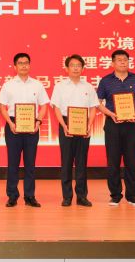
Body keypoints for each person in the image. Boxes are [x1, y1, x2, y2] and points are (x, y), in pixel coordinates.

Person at [0, 53, 49, 207]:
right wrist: (10, 123)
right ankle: (12, 196)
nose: (23, 66)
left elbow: (44, 105)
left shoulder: (37, 85)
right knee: (13, 163)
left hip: (32, 125)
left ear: (30, 65)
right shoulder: (8, 85)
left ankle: (30, 196)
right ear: (15, 67)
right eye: (20, 63)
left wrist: (38, 122)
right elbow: (2, 107)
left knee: (30, 164)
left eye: (26, 63)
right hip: (13, 125)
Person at [96, 49, 135, 206]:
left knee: (131, 161)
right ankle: (115, 195)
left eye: (125, 59)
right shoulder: (105, 81)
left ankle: (132, 196)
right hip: (113, 124)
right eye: (119, 60)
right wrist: (110, 114)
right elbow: (98, 102)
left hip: (132, 125)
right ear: (113, 63)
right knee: (113, 161)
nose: (123, 62)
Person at [51, 54, 99, 207]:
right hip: (66, 124)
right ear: (67, 68)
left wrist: (89, 125)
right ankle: (67, 197)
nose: (76, 68)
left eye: (79, 65)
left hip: (83, 125)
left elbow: (93, 108)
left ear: (83, 68)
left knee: (81, 162)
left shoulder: (88, 87)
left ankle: (82, 196)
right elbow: (56, 108)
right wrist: (64, 125)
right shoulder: (60, 86)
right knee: (66, 162)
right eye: (72, 65)